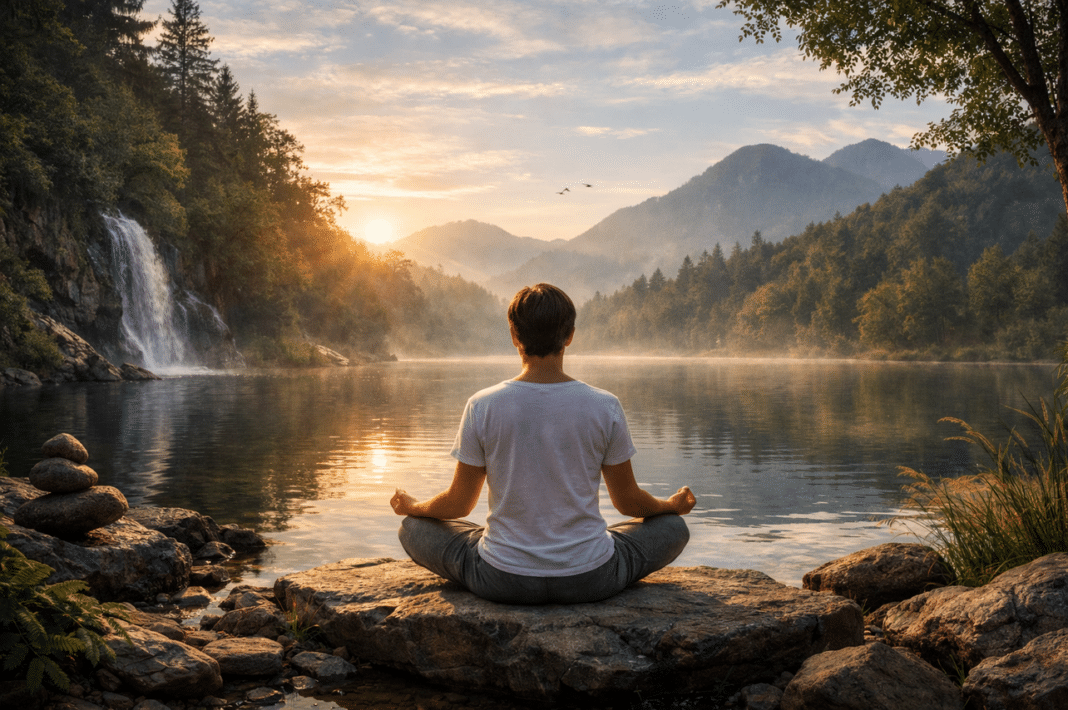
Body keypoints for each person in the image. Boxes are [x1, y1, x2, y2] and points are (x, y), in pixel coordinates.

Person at [390, 283, 695, 604]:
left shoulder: (483, 405)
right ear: (570, 335)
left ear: (513, 335)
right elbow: (629, 503)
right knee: (673, 528)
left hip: (501, 579)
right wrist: (670, 506)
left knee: (412, 528)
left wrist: (413, 507)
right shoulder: (604, 405)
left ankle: (508, 547)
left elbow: (458, 505)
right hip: (591, 578)